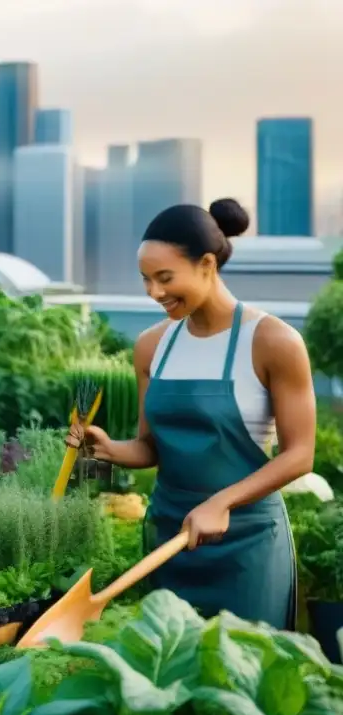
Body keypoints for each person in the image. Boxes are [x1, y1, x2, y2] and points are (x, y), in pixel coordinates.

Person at [66, 199, 314, 629]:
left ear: (206, 264)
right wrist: (108, 448)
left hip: (248, 548)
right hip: (170, 540)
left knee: (248, 680)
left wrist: (221, 502)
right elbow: (151, 448)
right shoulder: (152, 345)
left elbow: (300, 455)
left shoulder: (273, 341)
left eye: (165, 278)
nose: (154, 293)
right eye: (146, 280)